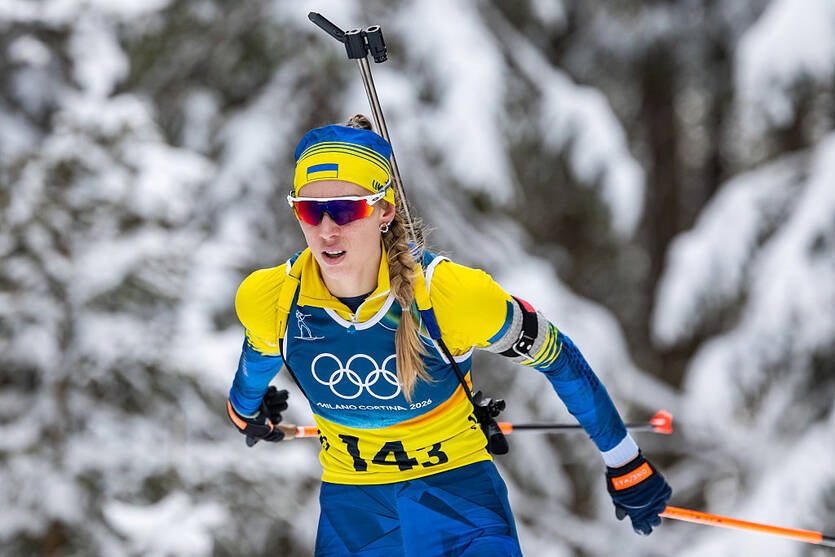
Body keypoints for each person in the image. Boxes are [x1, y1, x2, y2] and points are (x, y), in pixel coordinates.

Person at [226, 115, 672, 556]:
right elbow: (248, 385)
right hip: (356, 515)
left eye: (346, 208)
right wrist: (249, 411)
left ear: (384, 210)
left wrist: (625, 461)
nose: (327, 229)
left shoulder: (451, 294)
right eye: (310, 209)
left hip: (459, 499)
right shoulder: (272, 299)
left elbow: (557, 357)